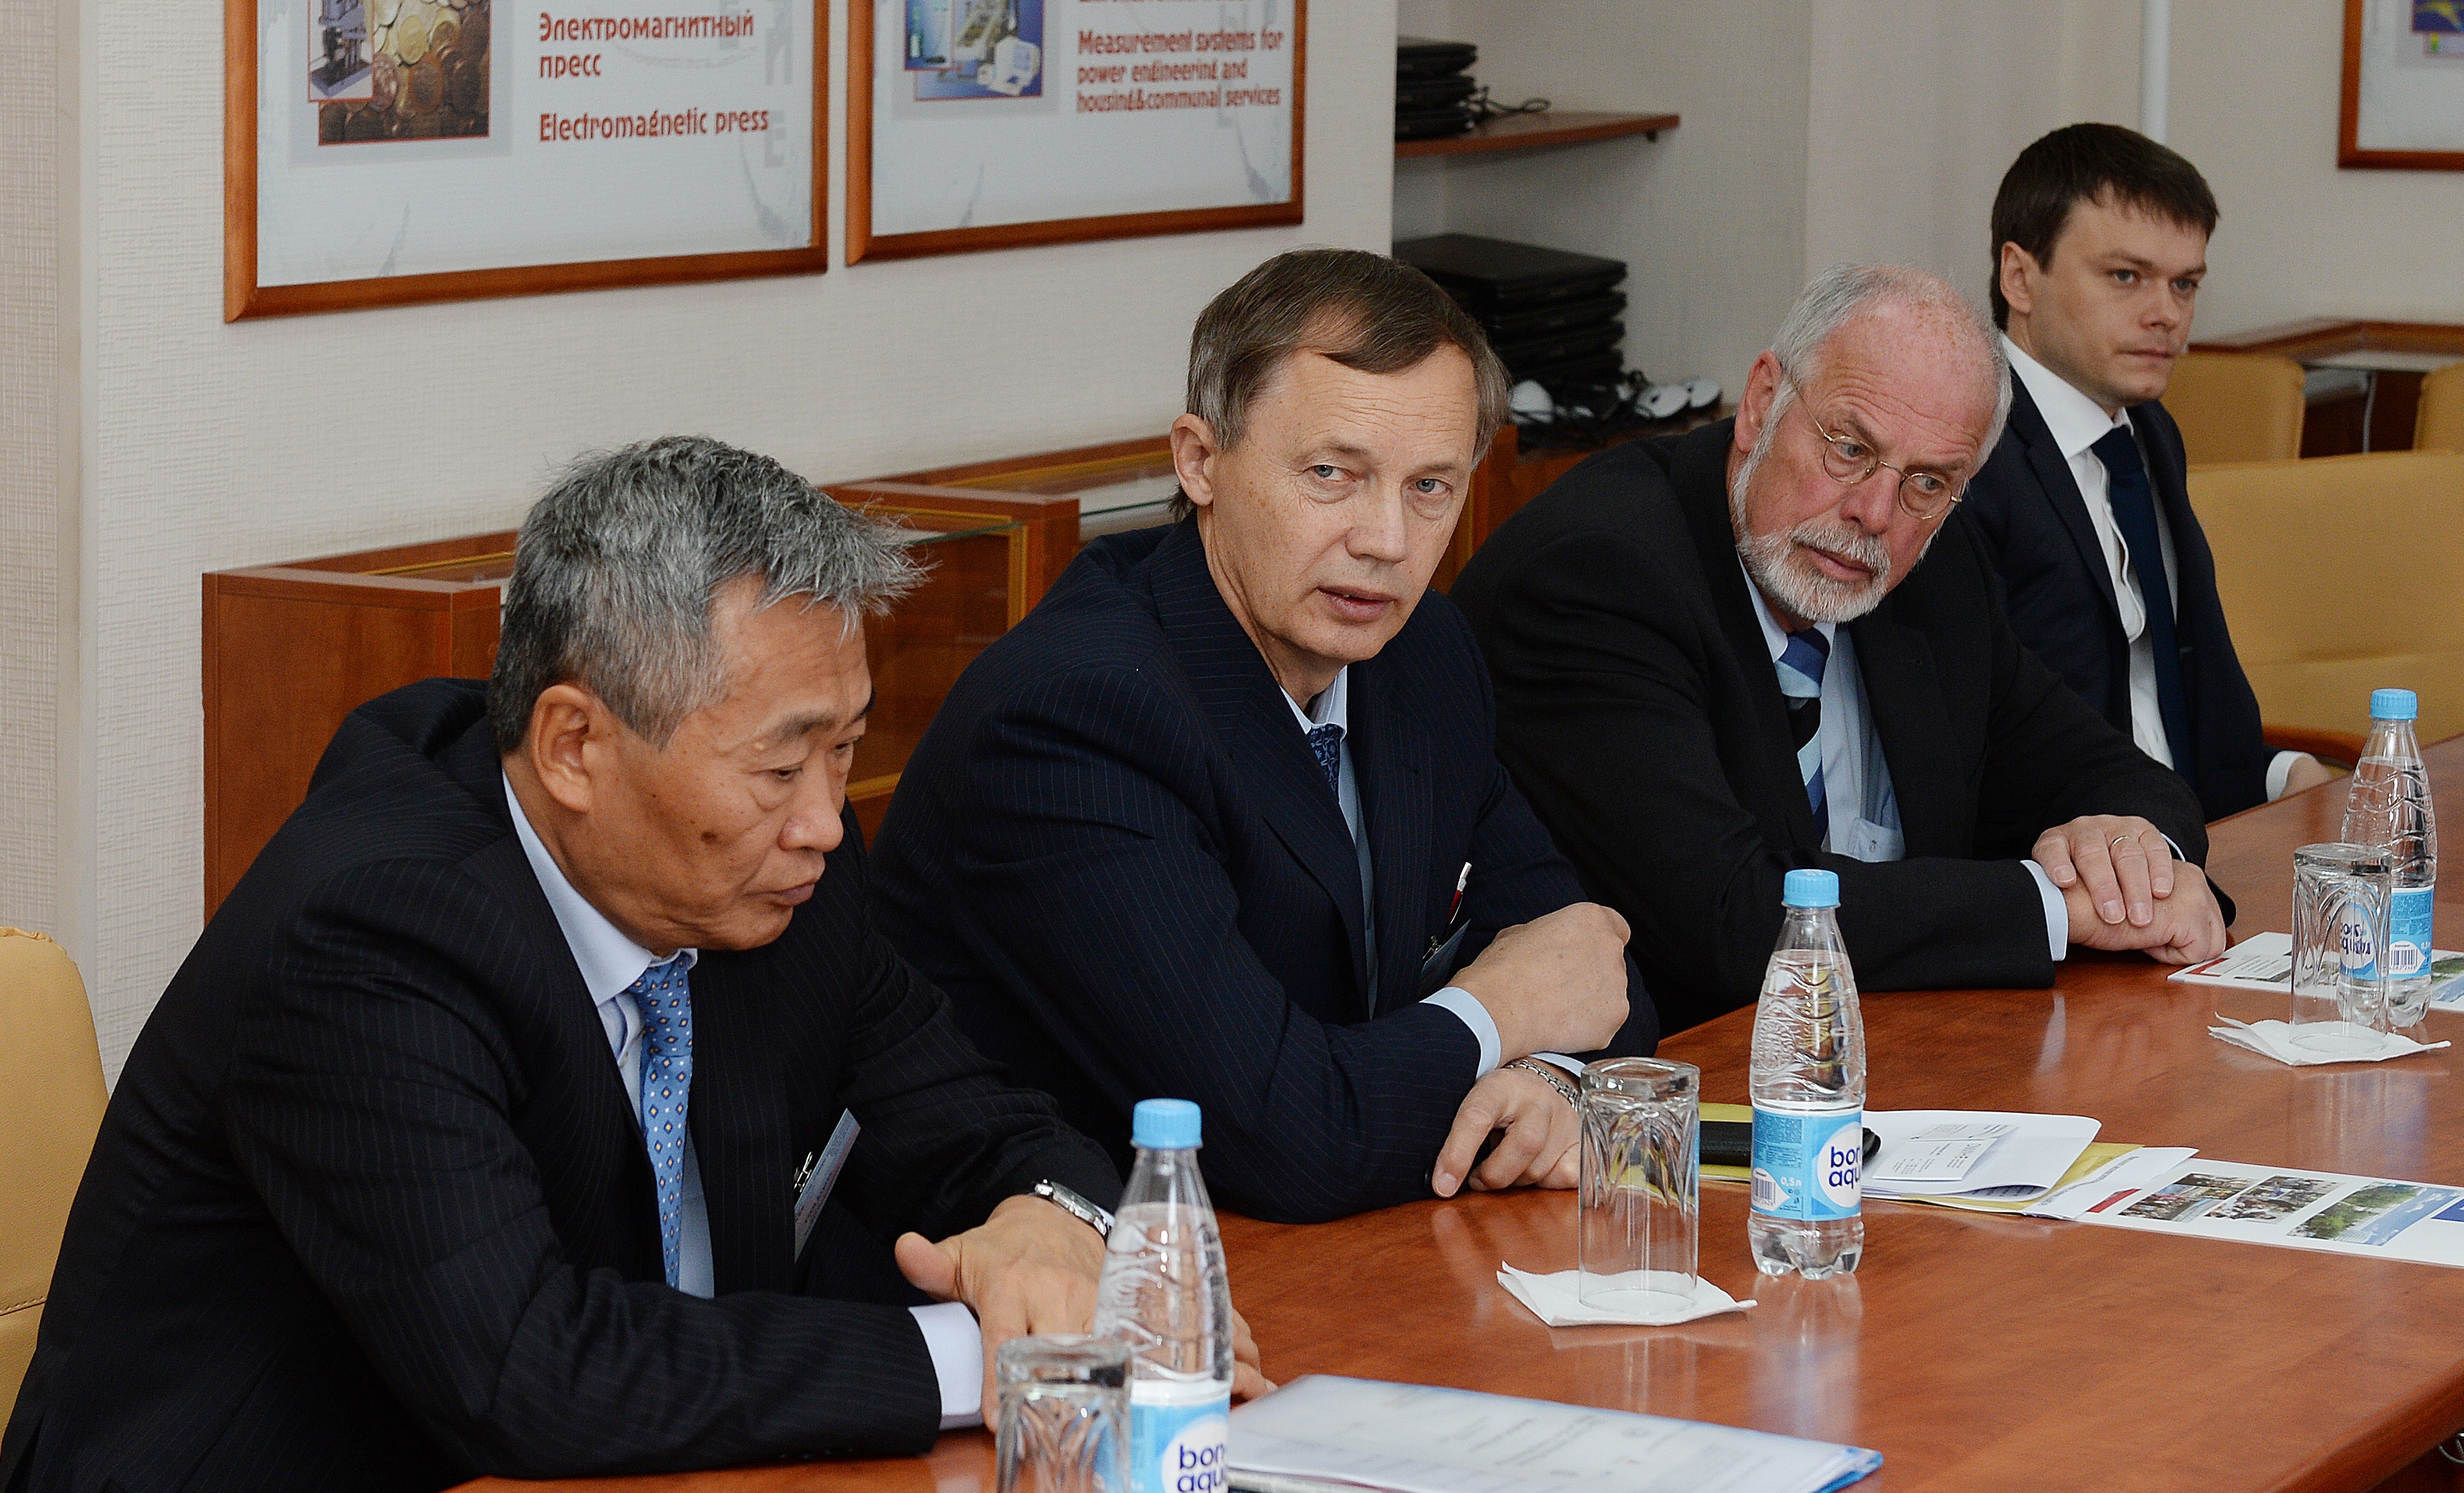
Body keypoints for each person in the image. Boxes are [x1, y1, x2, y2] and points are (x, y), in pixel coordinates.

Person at [3, 437, 1259, 1493]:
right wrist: (993, 1358)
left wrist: (1055, 1226)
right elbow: (527, 1370)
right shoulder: (370, 937)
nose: (826, 813)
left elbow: (985, 1120)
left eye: (847, 747)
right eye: (780, 764)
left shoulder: (778, 876)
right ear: (571, 745)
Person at [870, 249, 1656, 1226]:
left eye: (1429, 488)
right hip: (1073, 1292)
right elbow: (1280, 1137)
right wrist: (1494, 1016)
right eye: (1331, 474)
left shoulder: (1421, 654)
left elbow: (1584, 964)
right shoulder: (1073, 717)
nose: (1386, 541)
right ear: (1198, 461)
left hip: (1350, 1254)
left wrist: (1544, 1078)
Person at [1450, 265, 2230, 1037]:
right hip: (1671, 1090)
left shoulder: (1932, 567)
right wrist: (2055, 906)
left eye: (1928, 481)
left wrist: (2132, 858)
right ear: (1761, 403)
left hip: (1906, 1060)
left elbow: (2106, 770)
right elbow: (1732, 920)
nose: (1873, 511)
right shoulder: (1596, 574)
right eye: (1849, 448)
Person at [1965, 122, 2332, 820]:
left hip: (2192, 841)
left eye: (2184, 283)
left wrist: (2278, 773)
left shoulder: (2146, 429)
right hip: (2076, 870)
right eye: (2125, 276)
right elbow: (1982, 750)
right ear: (2019, 277)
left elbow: (2169, 686)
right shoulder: (1965, 454)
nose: (2166, 314)